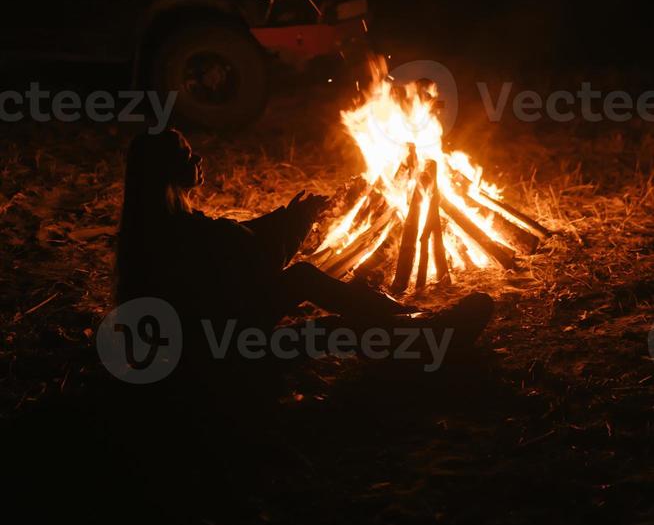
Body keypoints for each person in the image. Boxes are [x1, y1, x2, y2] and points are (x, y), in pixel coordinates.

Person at [115, 129, 493, 370]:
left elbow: (241, 239)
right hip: (216, 358)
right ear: (167, 173)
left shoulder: (152, 226)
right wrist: (296, 223)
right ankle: (428, 336)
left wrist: (295, 216)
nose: (198, 161)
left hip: (205, 345)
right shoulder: (185, 233)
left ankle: (419, 323)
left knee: (310, 293)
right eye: (187, 156)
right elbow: (256, 259)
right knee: (334, 326)